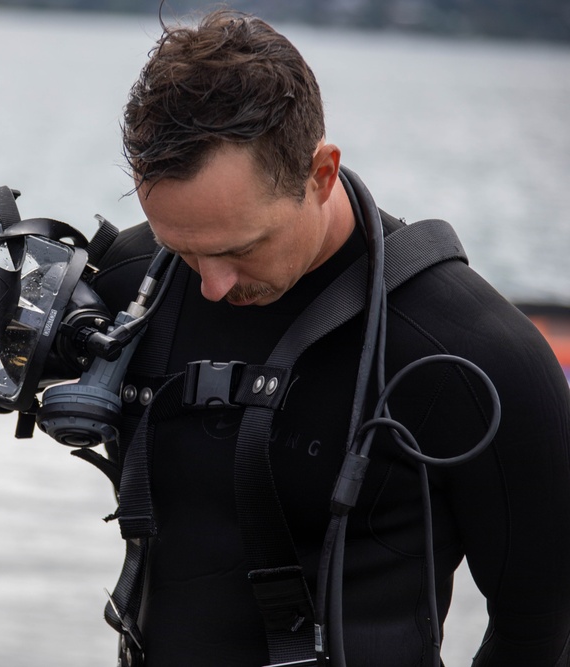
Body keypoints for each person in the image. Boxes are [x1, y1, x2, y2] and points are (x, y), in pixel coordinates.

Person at [86, 8, 570, 666]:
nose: (212, 285)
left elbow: (542, 630)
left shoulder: (475, 355)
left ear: (321, 173)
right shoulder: (131, 285)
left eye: (240, 248)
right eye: (181, 246)